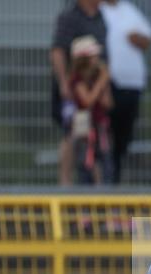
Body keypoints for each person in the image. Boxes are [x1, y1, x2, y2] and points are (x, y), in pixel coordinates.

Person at [50, 0, 107, 186]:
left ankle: (100, 190)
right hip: (75, 95)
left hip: (92, 95)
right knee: (71, 137)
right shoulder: (69, 16)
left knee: (92, 146)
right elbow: (57, 50)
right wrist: (64, 83)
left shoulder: (100, 17)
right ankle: (65, 184)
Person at [99, 0, 151, 184]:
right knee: (104, 137)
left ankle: (115, 182)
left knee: (123, 138)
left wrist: (137, 39)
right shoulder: (98, 10)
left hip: (132, 84)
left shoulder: (129, 10)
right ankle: (103, 183)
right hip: (107, 85)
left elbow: (148, 39)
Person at [69, 36, 114, 185]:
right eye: (93, 56)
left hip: (100, 127)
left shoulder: (97, 77)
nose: (97, 58)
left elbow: (107, 103)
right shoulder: (76, 79)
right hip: (85, 130)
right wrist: (101, 81)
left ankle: (105, 196)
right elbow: (87, 101)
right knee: (85, 165)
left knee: (105, 162)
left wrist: (104, 82)